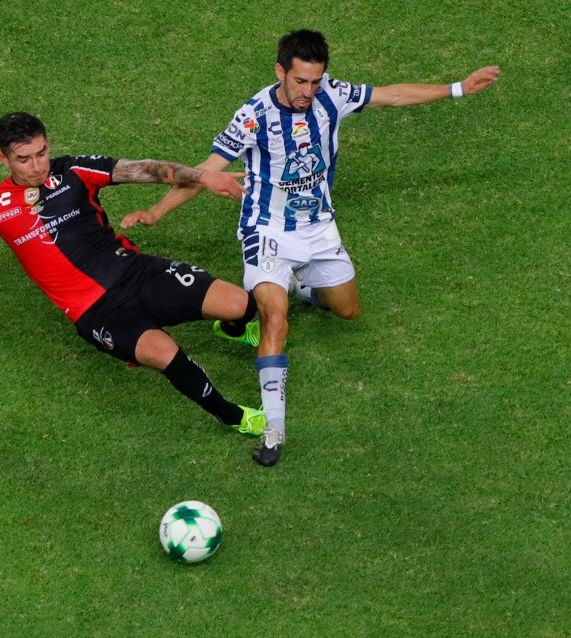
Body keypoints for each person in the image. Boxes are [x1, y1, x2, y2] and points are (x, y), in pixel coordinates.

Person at [121, 29, 501, 467]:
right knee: (273, 317)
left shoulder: (331, 95)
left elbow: (391, 95)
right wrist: (156, 210)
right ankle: (274, 429)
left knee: (347, 309)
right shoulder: (253, 116)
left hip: (320, 230)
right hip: (267, 231)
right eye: (300, 81)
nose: (308, 91)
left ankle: (301, 288)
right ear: (280, 71)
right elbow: (206, 171)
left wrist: (458, 88)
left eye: (315, 82)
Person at [0, 112, 267, 439]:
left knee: (242, 304)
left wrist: (203, 176)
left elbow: (143, 170)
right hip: (97, 312)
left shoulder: (74, 170)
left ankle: (230, 328)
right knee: (165, 353)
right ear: (4, 160)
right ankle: (234, 416)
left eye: (42, 152)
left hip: (135, 272)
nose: (37, 165)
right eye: (24, 159)